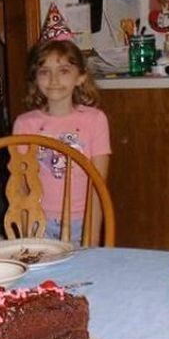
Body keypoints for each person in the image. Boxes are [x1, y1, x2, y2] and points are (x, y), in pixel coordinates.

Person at [12, 39, 111, 244]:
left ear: (80, 77)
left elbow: (98, 187)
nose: (53, 79)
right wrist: (26, 235)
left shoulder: (95, 120)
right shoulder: (24, 124)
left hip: (81, 222)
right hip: (39, 221)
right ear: (35, 78)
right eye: (44, 71)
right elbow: (20, 188)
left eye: (63, 70)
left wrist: (92, 240)